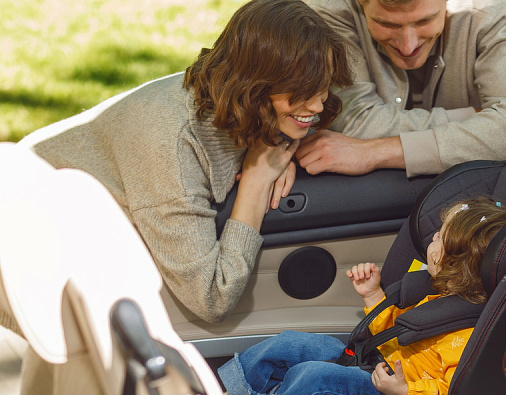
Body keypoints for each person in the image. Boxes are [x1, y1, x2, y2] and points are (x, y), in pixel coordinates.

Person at [19, 0, 352, 323]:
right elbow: (212, 298)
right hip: (29, 269)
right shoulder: (174, 145)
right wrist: (257, 179)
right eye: (302, 92)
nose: (318, 105)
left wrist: (278, 141)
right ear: (254, 84)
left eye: (322, 86)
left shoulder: (235, 102)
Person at [219, 197, 506, 395]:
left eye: (442, 237)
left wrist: (405, 392)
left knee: (314, 378)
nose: (434, 236)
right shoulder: (437, 293)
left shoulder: (466, 337)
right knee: (291, 343)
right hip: (375, 361)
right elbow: (396, 332)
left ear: (456, 268)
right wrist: (374, 295)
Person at [294, 0, 506, 178]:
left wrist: (377, 151)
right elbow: (353, 121)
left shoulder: (496, 9)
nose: (408, 46)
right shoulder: (326, 12)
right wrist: (477, 118)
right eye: (387, 24)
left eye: (425, 20)